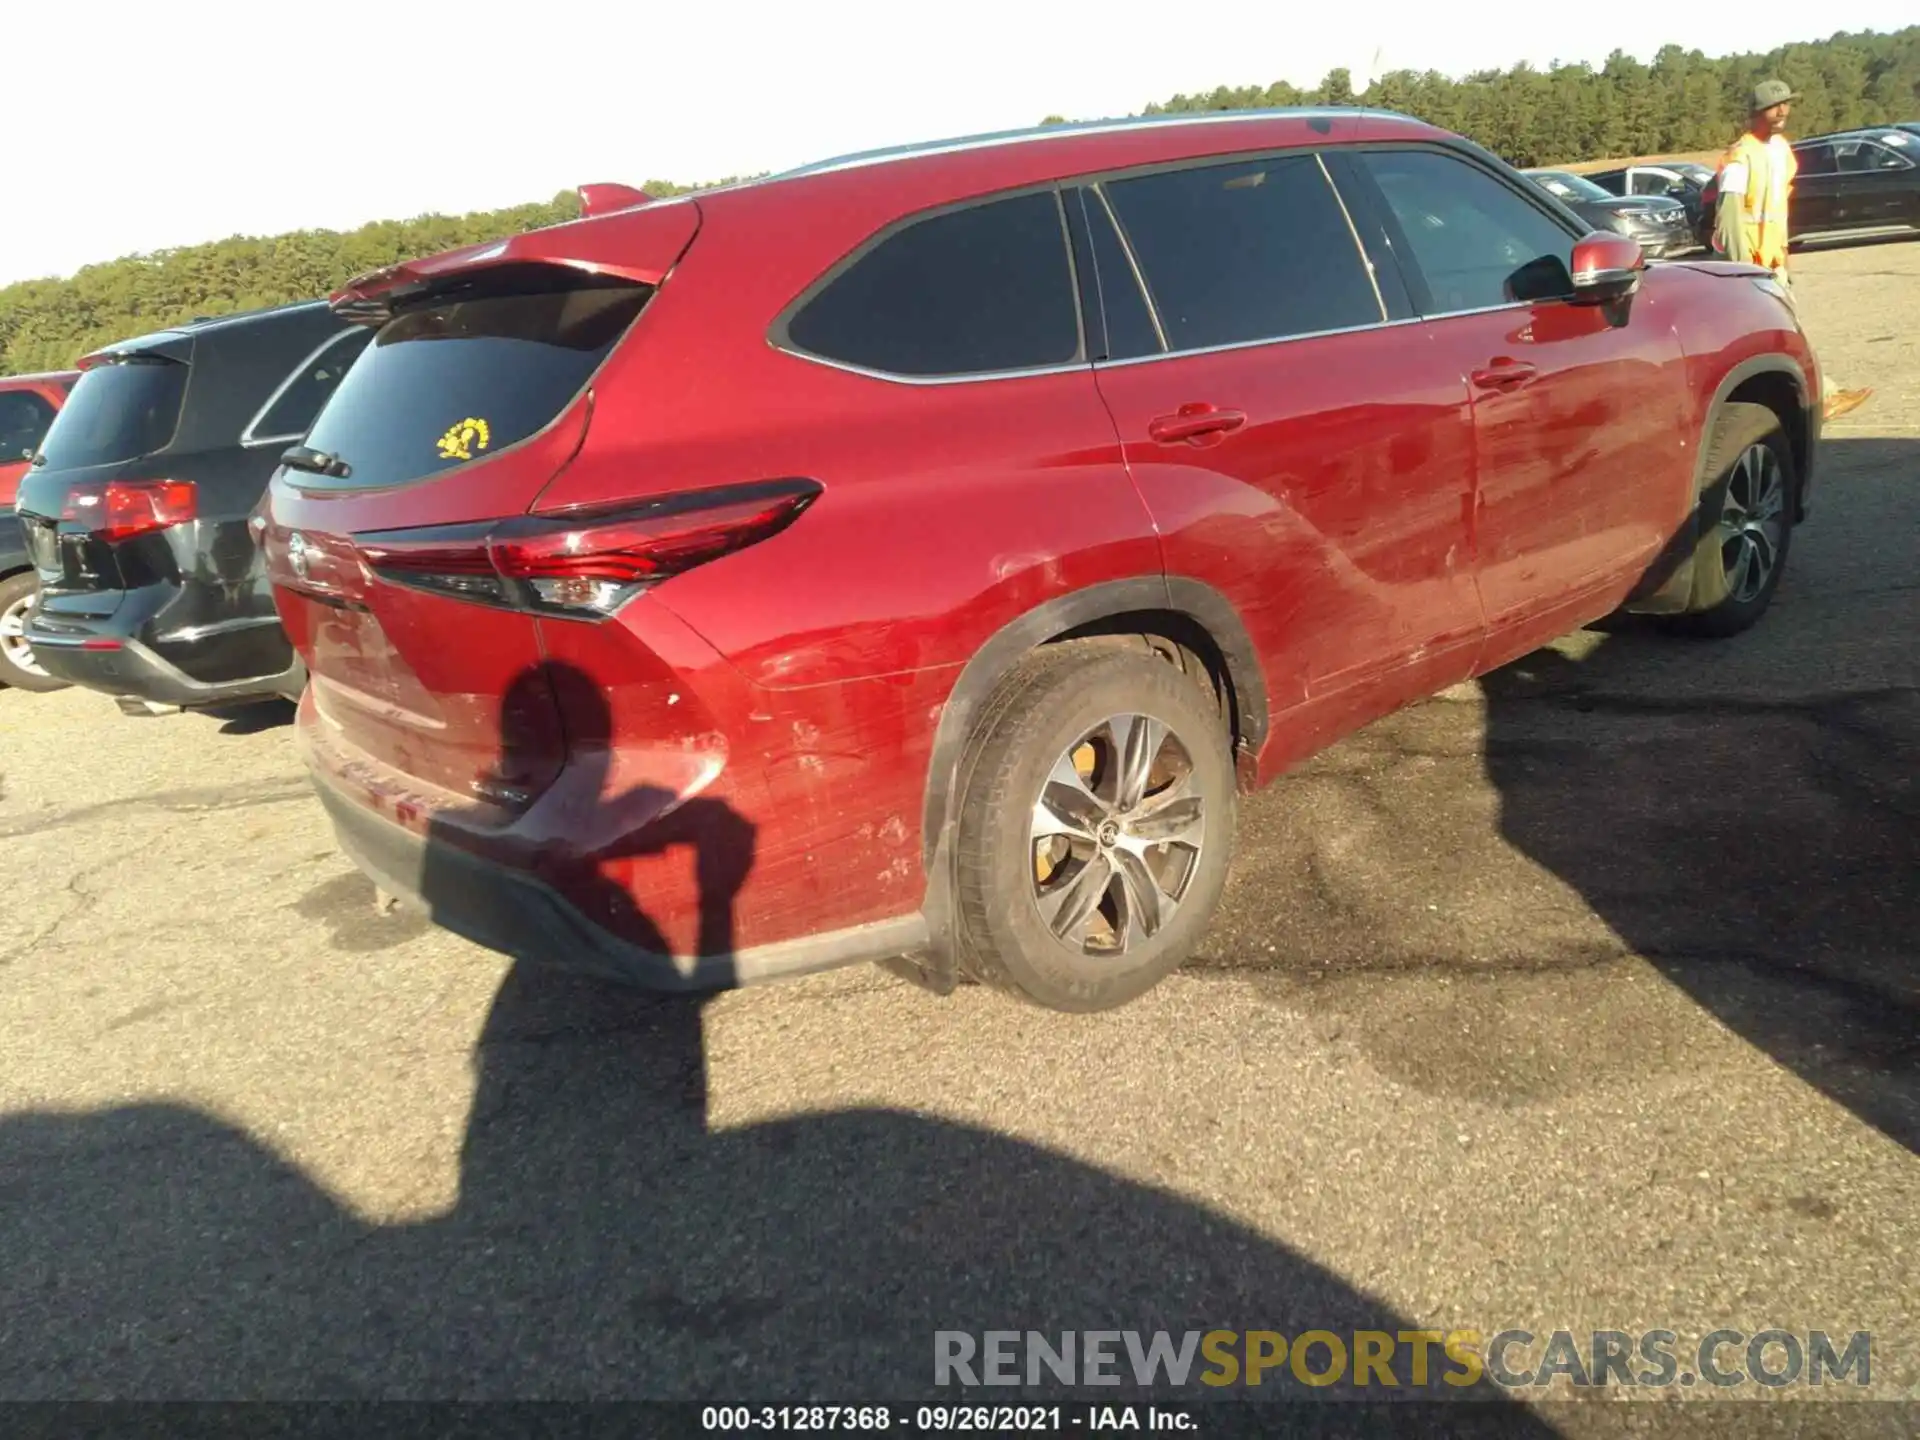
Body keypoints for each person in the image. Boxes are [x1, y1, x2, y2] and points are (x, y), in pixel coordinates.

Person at [1714, 79, 1873, 423]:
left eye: (1787, 103)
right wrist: (1743, 270)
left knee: (1784, 333)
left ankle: (1816, 397)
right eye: (1776, 105)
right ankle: (1819, 398)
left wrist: (1783, 256)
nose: (1784, 110)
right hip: (1752, 268)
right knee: (1782, 334)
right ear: (1758, 112)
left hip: (1772, 264)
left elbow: (1776, 210)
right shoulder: (1740, 157)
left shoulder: (1781, 151)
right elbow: (1729, 219)